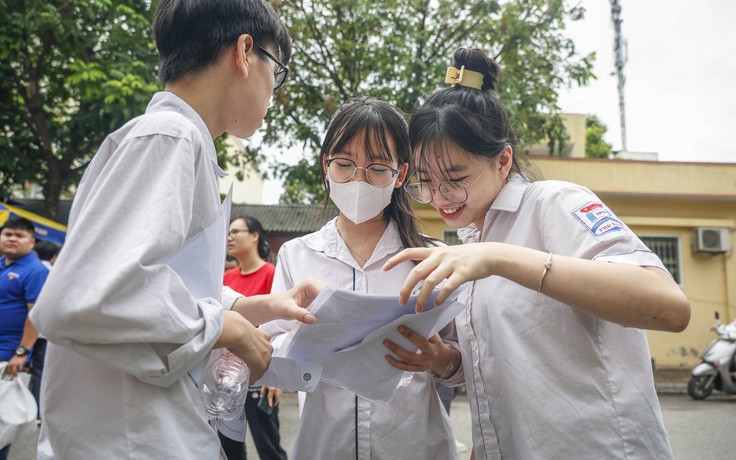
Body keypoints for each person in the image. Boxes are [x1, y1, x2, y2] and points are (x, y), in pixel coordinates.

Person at [28, 1, 322, 459]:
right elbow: (83, 298)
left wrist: (247, 306)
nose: (274, 90)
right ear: (245, 52)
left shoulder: (177, 141)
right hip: (131, 441)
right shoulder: (169, 137)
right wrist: (227, 327)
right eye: (277, 69)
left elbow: (163, 276)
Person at [383, 48, 691, 460]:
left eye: (454, 178)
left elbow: (669, 306)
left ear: (502, 160)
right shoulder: (473, 243)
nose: (440, 198)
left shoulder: (554, 203)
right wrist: (442, 361)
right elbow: (498, 367)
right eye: (425, 183)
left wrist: (501, 258)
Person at [263, 97, 461, 459]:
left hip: (413, 446)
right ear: (326, 166)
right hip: (324, 446)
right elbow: (269, 357)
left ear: (400, 174)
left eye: (376, 168)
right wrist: (303, 346)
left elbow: (466, 365)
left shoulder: (432, 257)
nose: (358, 180)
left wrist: (440, 359)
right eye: (344, 164)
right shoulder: (297, 255)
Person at [220, 215, 287, 460]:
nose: (229, 238)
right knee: (228, 450)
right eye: (228, 233)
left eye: (235, 232)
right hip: (225, 378)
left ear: (255, 236)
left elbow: (282, 325)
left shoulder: (272, 274)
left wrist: (276, 375)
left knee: (268, 447)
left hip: (261, 375)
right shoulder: (226, 279)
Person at [0, 217, 49, 460]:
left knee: (2, 420)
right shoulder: (2, 265)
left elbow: (35, 314)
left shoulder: (35, 271)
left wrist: (22, 352)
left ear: (32, 243)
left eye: (19, 236)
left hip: (7, 355)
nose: (11, 238)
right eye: (8, 233)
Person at [28, 240, 59, 420]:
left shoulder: (32, 270)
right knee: (39, 370)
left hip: (25, 330)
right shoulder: (55, 274)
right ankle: (35, 410)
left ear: (35, 253)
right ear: (54, 257)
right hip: (43, 332)